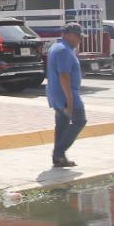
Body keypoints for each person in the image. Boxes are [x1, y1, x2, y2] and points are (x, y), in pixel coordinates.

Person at [46, 22, 86, 168]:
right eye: (78, 37)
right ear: (68, 35)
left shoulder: (56, 47)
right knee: (79, 121)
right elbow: (64, 76)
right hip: (66, 95)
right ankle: (58, 152)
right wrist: (70, 101)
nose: (80, 40)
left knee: (62, 125)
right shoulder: (63, 50)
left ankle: (59, 159)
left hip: (56, 94)